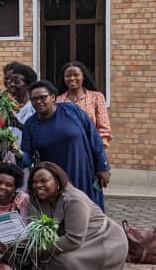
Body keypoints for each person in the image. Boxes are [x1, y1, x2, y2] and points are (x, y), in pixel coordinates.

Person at [28, 161, 126, 270]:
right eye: (34, 182)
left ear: (58, 182)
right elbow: (33, 226)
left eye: (44, 181)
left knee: (66, 261)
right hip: (75, 239)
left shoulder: (74, 200)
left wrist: (40, 248)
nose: (38, 185)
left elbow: (73, 240)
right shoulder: (36, 199)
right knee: (45, 257)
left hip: (103, 239)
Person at [21, 81, 111, 211]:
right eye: (34, 99)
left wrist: (103, 166)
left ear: (53, 97)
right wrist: (16, 153)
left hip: (82, 172)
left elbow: (94, 137)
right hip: (54, 180)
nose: (38, 102)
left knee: (90, 209)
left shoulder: (72, 110)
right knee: (62, 212)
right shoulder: (31, 124)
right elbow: (27, 155)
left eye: (43, 97)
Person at [56, 61, 113, 148]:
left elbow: (104, 127)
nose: (72, 78)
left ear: (83, 77)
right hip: (65, 149)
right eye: (68, 76)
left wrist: (99, 148)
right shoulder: (58, 100)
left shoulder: (96, 97)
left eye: (76, 75)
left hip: (90, 148)